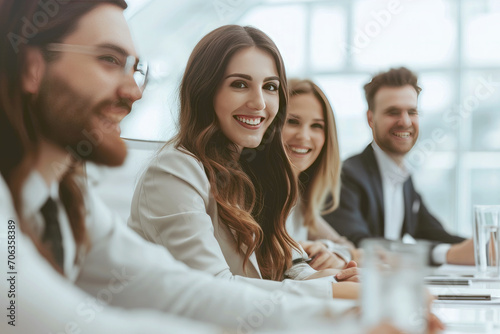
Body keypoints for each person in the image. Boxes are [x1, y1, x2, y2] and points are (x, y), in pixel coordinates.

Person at [0, 1, 362, 333]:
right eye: (109, 60)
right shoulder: (175, 169)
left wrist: (348, 305)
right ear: (33, 67)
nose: (134, 91)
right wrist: (347, 310)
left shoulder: (68, 199)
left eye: (135, 69)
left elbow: (176, 289)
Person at [128, 25, 359, 298]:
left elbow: (289, 266)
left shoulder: (257, 169)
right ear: (205, 91)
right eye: (240, 84)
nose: (259, 102)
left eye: (270, 87)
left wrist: (337, 277)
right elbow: (213, 289)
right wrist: (333, 290)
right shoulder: (174, 171)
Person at [323, 67, 474, 265]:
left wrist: (483, 247)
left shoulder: (403, 177)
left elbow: (436, 234)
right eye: (393, 112)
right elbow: (360, 244)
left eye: (412, 112)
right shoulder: (346, 176)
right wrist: (445, 254)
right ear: (370, 118)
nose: (405, 121)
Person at [282, 79, 362, 272]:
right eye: (292, 122)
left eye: (316, 126)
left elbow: (348, 247)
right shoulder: (256, 193)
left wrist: (329, 251)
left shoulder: (299, 198)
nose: (304, 136)